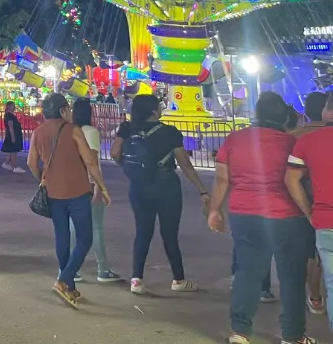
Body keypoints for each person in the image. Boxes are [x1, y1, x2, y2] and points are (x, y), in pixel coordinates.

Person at [211, 91, 314, 344]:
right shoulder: (291, 144)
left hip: (244, 214)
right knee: (291, 276)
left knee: (248, 272)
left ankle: (240, 331)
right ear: (283, 118)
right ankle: (293, 336)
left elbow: (223, 178)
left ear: (256, 114)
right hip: (287, 217)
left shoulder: (235, 139)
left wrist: (214, 209)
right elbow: (301, 179)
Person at [112, 94, 208, 295]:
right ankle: (179, 280)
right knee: (169, 235)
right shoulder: (170, 132)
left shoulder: (127, 128)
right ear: (154, 110)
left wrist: (130, 168)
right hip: (166, 187)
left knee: (142, 232)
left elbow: (114, 152)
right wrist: (202, 189)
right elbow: (185, 163)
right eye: (159, 105)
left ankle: (136, 280)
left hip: (139, 187)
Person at [28, 93, 111, 308]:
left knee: (62, 237)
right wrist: (102, 187)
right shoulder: (73, 130)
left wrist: (43, 179)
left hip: (53, 194)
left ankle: (70, 286)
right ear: (63, 110)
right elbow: (91, 161)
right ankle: (64, 280)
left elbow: (31, 162)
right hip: (77, 192)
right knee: (85, 238)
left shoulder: (38, 132)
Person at [288, 91, 333, 331]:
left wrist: (307, 211)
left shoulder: (303, 139)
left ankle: (316, 298)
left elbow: (290, 178)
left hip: (321, 216)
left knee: (328, 275)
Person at [69, 98, 121, 282]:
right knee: (96, 227)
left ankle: (71, 269)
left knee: (73, 228)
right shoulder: (90, 132)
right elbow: (92, 162)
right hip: (88, 184)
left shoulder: (69, 131)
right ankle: (103, 269)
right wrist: (100, 187)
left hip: (71, 184)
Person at [0, 101, 26, 173]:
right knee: (14, 151)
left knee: (11, 151)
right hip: (13, 134)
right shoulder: (9, 116)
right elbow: (10, 126)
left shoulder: (9, 115)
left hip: (11, 134)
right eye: (13, 106)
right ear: (9, 106)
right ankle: (15, 166)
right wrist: (13, 136)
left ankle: (7, 163)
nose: (14, 107)